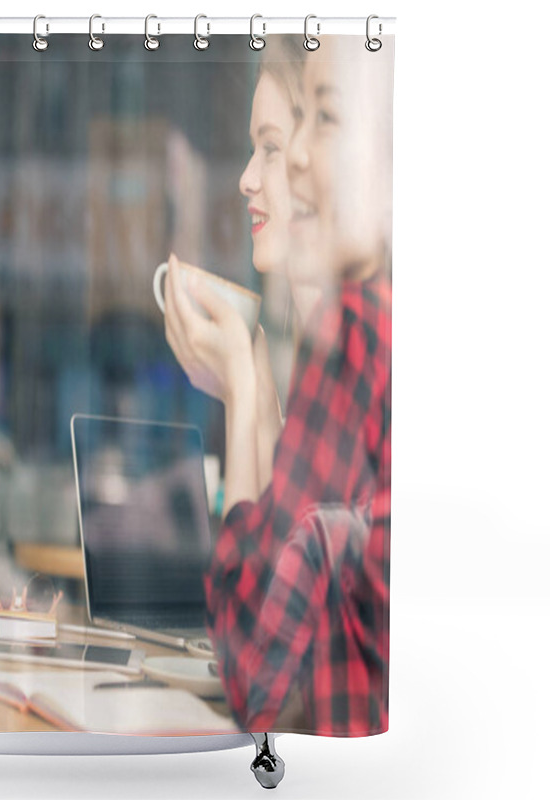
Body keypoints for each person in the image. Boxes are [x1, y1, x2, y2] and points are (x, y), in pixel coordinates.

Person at [163, 36, 393, 734]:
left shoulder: (356, 335)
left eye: (273, 143)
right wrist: (252, 384)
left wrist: (242, 391)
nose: (253, 176)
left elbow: (252, 663)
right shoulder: (333, 337)